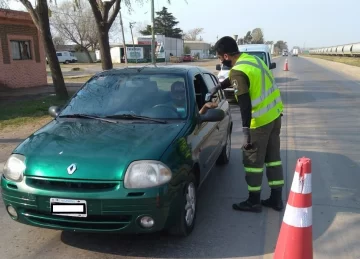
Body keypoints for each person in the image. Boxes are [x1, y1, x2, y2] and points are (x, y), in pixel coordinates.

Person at [211, 36, 284, 213]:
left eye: (220, 58)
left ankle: (253, 201)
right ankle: (276, 199)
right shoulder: (252, 60)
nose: (220, 61)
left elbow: (244, 105)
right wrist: (220, 86)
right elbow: (241, 78)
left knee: (252, 161)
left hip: (258, 123)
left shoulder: (238, 71)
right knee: (273, 159)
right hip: (274, 117)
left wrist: (245, 133)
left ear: (226, 56)